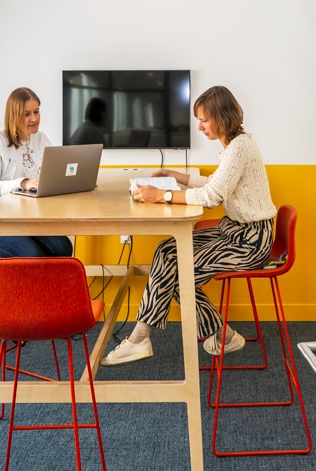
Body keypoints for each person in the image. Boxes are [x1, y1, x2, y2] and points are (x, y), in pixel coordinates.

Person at [101, 85, 277, 366]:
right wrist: (177, 177)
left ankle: (139, 338)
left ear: (222, 117)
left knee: (176, 266)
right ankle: (223, 334)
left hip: (250, 242)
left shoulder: (240, 147)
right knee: (167, 251)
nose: (199, 126)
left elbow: (211, 197)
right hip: (234, 232)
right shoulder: (234, 146)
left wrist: (162, 194)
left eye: (205, 119)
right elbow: (215, 184)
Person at [0, 87, 74, 258]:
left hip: (22, 219)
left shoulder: (41, 139)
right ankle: (32, 285)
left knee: (63, 247)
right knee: (32, 254)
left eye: (36, 112)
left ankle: (49, 286)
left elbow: (49, 176)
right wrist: (22, 183)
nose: (34, 118)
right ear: (14, 115)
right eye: (27, 114)